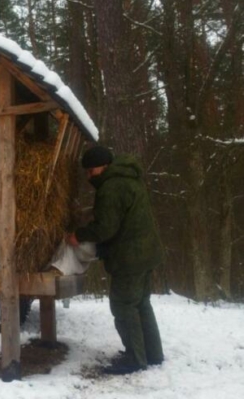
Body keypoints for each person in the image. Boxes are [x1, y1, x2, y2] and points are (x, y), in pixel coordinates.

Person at [66, 145, 165, 375]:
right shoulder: (128, 178)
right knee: (141, 304)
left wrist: (78, 236)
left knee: (122, 305)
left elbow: (106, 228)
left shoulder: (111, 187)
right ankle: (152, 354)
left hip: (130, 259)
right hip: (146, 254)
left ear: (105, 166)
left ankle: (134, 358)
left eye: (92, 171)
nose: (90, 177)